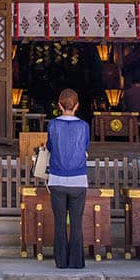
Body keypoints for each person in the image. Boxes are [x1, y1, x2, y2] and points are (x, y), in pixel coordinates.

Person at [44, 88, 91, 269]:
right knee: (76, 222)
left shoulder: (53, 125)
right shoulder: (84, 126)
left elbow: (50, 145)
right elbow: (85, 146)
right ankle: (77, 261)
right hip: (78, 179)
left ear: (59, 105)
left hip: (57, 178)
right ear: (77, 106)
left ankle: (61, 261)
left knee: (60, 221)